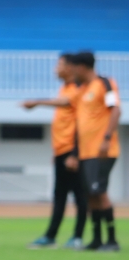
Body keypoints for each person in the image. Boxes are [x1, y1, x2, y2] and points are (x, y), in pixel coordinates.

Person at [22, 55, 89, 249]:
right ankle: (51, 236)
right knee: (59, 194)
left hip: (72, 150)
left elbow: (75, 117)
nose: (55, 69)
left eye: (59, 65)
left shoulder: (78, 88)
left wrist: (75, 153)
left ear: (71, 67)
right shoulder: (65, 88)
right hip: (61, 151)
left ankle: (77, 237)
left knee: (79, 195)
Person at [72, 51, 121, 252]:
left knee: (99, 192)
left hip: (101, 150)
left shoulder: (105, 83)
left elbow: (116, 110)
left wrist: (106, 138)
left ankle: (112, 240)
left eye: (74, 67)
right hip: (85, 152)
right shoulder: (83, 89)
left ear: (82, 67)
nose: (72, 71)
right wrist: (75, 153)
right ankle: (97, 239)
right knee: (90, 195)